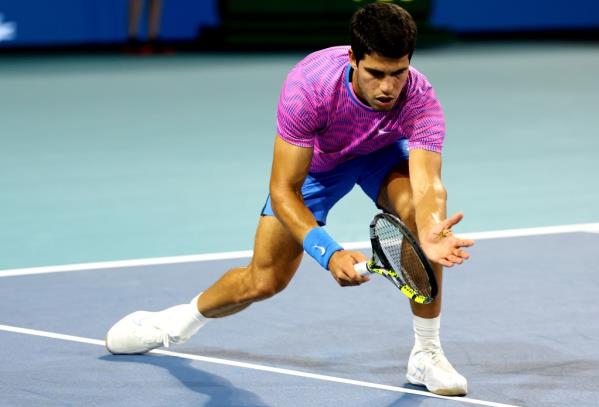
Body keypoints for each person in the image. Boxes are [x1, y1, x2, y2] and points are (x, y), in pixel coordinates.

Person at [106, 2, 474, 397]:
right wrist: (329, 253)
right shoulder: (310, 86)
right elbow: (284, 191)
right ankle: (174, 323)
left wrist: (432, 226)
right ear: (353, 58)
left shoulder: (419, 96)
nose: (388, 87)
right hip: (318, 166)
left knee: (423, 224)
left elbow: (427, 183)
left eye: (398, 74)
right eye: (376, 74)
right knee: (264, 280)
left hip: (379, 157)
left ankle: (427, 352)